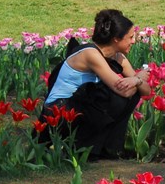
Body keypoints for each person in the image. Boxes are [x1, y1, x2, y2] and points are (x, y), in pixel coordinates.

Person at [39, 9, 152, 160]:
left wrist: (136, 81)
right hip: (59, 111)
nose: (134, 41)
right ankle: (81, 149)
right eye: (131, 37)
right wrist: (137, 79)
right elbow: (123, 90)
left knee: (125, 95)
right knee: (109, 96)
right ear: (116, 39)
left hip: (77, 106)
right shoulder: (90, 54)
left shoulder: (117, 56)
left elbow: (145, 91)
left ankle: (102, 149)